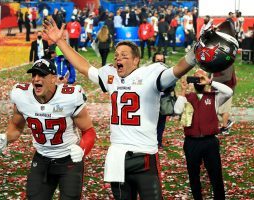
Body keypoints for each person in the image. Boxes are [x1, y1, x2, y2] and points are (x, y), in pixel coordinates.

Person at [43, 18, 197, 199]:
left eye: (124, 55)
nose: (118, 58)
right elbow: (85, 68)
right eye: (116, 55)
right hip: (117, 155)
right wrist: (60, 42)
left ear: (136, 60)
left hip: (144, 153)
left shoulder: (150, 74)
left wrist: (193, 56)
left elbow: (176, 70)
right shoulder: (111, 76)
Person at [0, 58, 96, 199]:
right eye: (34, 75)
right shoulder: (22, 95)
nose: (36, 79)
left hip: (69, 159)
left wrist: (82, 149)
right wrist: (6, 138)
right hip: (42, 157)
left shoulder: (70, 97)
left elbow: (88, 131)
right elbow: (16, 126)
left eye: (41, 75)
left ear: (53, 79)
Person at [174, 69, 233, 200]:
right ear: (192, 81)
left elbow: (229, 92)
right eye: (196, 77)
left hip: (209, 141)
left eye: (202, 76)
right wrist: (183, 90)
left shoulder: (214, 97)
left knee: (216, 174)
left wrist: (210, 82)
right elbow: (177, 110)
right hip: (191, 142)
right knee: (193, 174)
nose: (199, 79)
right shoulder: (187, 97)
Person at [211, 65, 237, 135]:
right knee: (216, 109)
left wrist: (211, 80)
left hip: (227, 89)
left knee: (224, 109)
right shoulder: (216, 62)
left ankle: (225, 127)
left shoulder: (227, 62)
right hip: (217, 88)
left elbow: (227, 77)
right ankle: (227, 122)